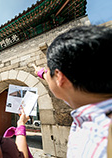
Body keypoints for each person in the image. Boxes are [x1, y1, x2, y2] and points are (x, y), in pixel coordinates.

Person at [34, 25, 112, 157]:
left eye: (48, 70)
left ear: (59, 77)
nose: (47, 74)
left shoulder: (96, 145)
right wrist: (41, 72)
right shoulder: (87, 98)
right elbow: (56, 81)